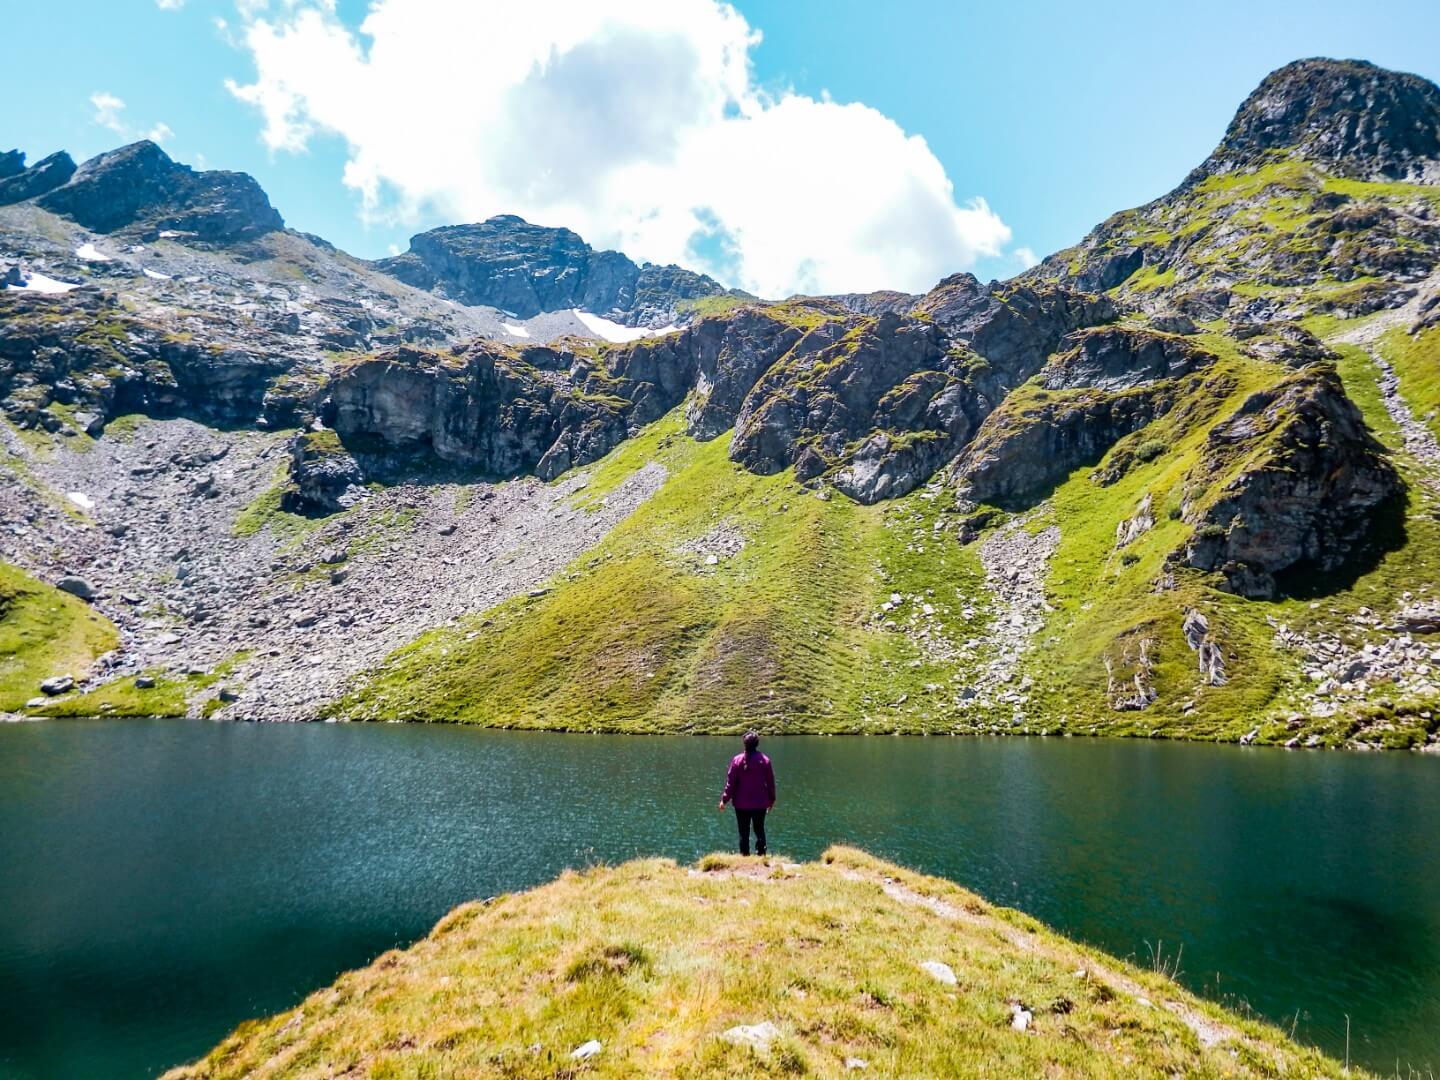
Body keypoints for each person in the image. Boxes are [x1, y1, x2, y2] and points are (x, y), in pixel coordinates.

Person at [718, 730, 776, 856]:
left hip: (741, 804)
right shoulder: (765, 760)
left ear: (744, 744)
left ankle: (744, 856)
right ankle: (761, 855)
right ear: (757, 744)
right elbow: (771, 783)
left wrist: (724, 800)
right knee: (759, 829)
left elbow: (730, 783)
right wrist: (772, 800)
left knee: (743, 832)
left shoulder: (737, 760)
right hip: (760, 803)